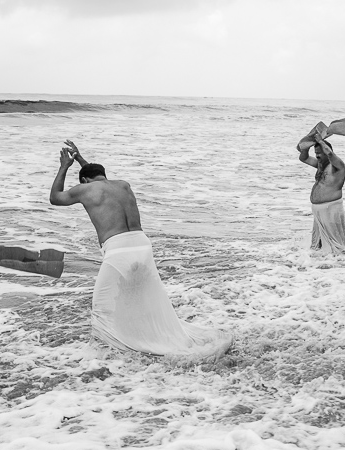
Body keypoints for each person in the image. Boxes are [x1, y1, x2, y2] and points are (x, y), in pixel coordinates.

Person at [49, 141, 232, 360]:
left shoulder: (85, 189)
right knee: (141, 298)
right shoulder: (123, 185)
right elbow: (98, 179)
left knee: (102, 308)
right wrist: (80, 160)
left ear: (85, 180)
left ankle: (103, 356)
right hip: (142, 245)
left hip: (118, 250)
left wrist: (64, 166)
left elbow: (55, 198)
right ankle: (140, 340)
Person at [298, 132, 345, 255]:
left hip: (331, 208)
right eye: (316, 154)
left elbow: (330, 154)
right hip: (318, 210)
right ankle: (316, 267)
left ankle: (341, 266)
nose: (317, 156)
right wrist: (306, 146)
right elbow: (303, 158)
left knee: (337, 247)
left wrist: (321, 141)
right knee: (316, 246)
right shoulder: (320, 165)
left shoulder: (338, 166)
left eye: (320, 153)